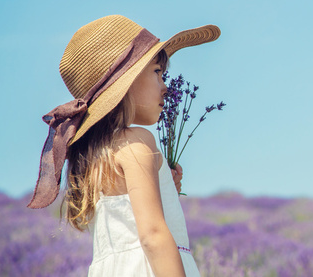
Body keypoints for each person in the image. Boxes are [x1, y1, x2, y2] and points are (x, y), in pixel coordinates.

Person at [27, 15, 220, 277]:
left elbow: (123, 215)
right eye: (157, 72)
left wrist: (165, 190)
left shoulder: (95, 158)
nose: (165, 87)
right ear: (125, 83)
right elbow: (152, 235)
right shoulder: (138, 141)